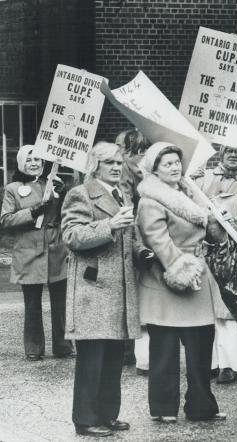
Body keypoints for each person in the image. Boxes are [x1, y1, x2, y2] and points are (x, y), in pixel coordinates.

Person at [136, 141, 226, 423]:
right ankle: (163, 408)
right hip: (167, 277)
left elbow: (208, 234)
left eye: (177, 162)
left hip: (196, 275)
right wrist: (180, 268)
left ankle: (202, 406)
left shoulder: (192, 194)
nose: (175, 167)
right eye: (168, 164)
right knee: (164, 350)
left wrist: (218, 223)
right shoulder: (150, 200)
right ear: (155, 170)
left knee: (201, 346)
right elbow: (157, 240)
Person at [61, 142, 143, 437]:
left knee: (112, 357)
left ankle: (107, 414)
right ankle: (85, 418)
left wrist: (141, 251)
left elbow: (129, 237)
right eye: (109, 162)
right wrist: (109, 225)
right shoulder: (80, 194)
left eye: (119, 162)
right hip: (92, 289)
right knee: (91, 359)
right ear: (94, 165)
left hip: (118, 288)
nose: (116, 167)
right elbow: (71, 236)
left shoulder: (122, 194)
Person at [0, 144, 73, 361]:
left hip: (55, 247)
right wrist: (33, 211)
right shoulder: (13, 189)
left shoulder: (53, 183)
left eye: (38, 160)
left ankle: (63, 346)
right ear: (22, 163)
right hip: (28, 249)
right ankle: (34, 347)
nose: (34, 164)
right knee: (32, 303)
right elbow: (5, 219)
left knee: (60, 301)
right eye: (30, 160)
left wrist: (64, 195)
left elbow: (67, 213)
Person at [194, 144, 237, 384]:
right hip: (202, 251)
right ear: (220, 154)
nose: (233, 155)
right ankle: (209, 363)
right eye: (228, 151)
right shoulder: (203, 179)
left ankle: (228, 365)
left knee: (229, 310)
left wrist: (234, 224)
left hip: (232, 254)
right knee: (203, 309)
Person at [116, 128, 151, 373]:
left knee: (126, 288)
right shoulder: (151, 164)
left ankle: (128, 350)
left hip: (131, 228)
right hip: (151, 227)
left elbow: (125, 198)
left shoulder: (124, 166)